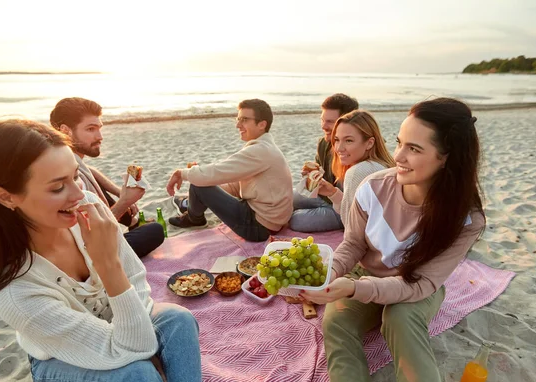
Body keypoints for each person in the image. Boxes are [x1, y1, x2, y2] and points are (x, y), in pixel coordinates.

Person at [0, 120, 202, 382]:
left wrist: (133, 331)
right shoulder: (16, 290)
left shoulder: (86, 208)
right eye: (58, 188)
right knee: (135, 375)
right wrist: (107, 264)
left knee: (179, 319)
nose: (79, 194)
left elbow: (137, 280)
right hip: (59, 358)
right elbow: (133, 348)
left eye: (75, 176)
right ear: (7, 197)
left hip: (114, 320)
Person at [300, 98, 486, 382]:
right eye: (400, 143)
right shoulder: (373, 188)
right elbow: (353, 244)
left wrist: (355, 289)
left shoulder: (466, 219)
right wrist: (330, 274)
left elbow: (422, 283)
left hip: (416, 285)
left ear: (447, 157)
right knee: (335, 325)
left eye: (414, 148)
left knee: (399, 318)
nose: (398, 156)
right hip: (366, 275)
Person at [50, 97, 164, 258]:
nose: (100, 136)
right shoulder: (65, 176)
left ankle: (133, 223)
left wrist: (117, 191)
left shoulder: (66, 156)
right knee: (155, 231)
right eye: (90, 129)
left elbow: (89, 170)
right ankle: (132, 226)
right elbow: (91, 233)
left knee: (98, 187)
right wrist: (125, 202)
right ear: (65, 130)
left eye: (99, 128)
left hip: (93, 234)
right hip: (89, 253)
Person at [166, 99, 293, 242]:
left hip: (258, 227)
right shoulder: (265, 147)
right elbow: (236, 185)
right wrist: (211, 194)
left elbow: (218, 171)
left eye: (244, 120)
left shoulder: (260, 150)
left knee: (198, 184)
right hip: (268, 219)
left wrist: (181, 174)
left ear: (262, 124)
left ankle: (194, 219)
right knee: (203, 182)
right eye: (238, 119)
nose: (238, 125)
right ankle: (191, 207)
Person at [290, 93, 359, 232]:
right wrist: (312, 177)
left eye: (330, 122)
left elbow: (354, 204)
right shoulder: (324, 143)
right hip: (325, 197)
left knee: (295, 220)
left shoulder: (357, 151)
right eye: (322, 120)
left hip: (344, 209)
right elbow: (321, 177)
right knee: (286, 198)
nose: (323, 126)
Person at [316, 109, 395, 226]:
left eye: (348, 140)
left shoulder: (359, 171)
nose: (339, 148)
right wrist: (332, 193)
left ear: (369, 143)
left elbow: (351, 226)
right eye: (337, 140)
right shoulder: (383, 166)